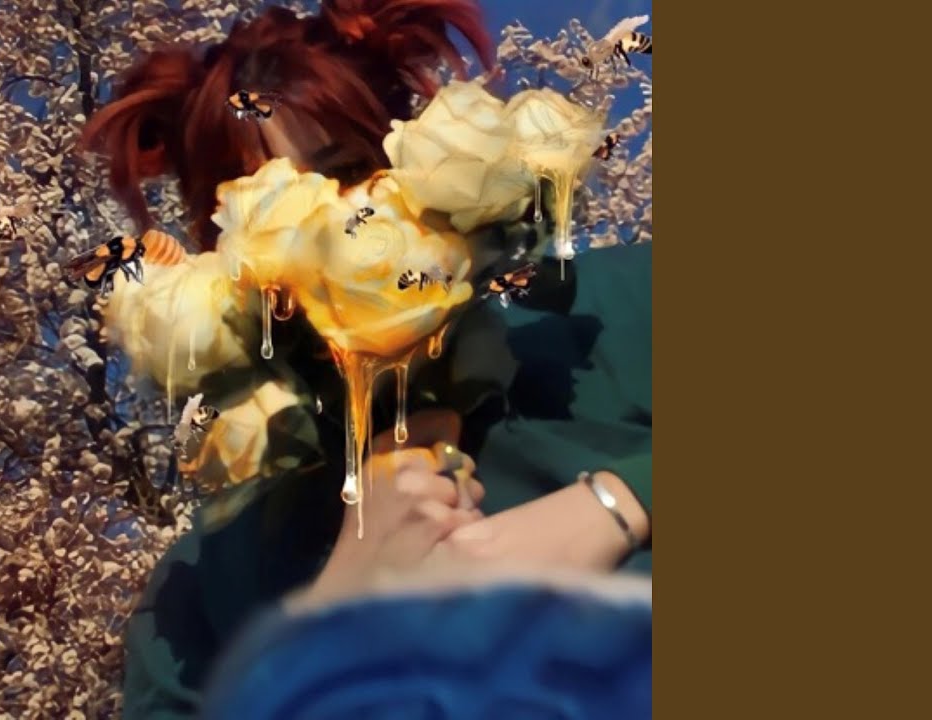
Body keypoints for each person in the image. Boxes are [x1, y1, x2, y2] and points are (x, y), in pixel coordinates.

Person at [81, 2, 652, 718]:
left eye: (346, 171)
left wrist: (616, 505)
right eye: (258, 204)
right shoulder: (203, 594)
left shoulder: (619, 313)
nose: (314, 226)